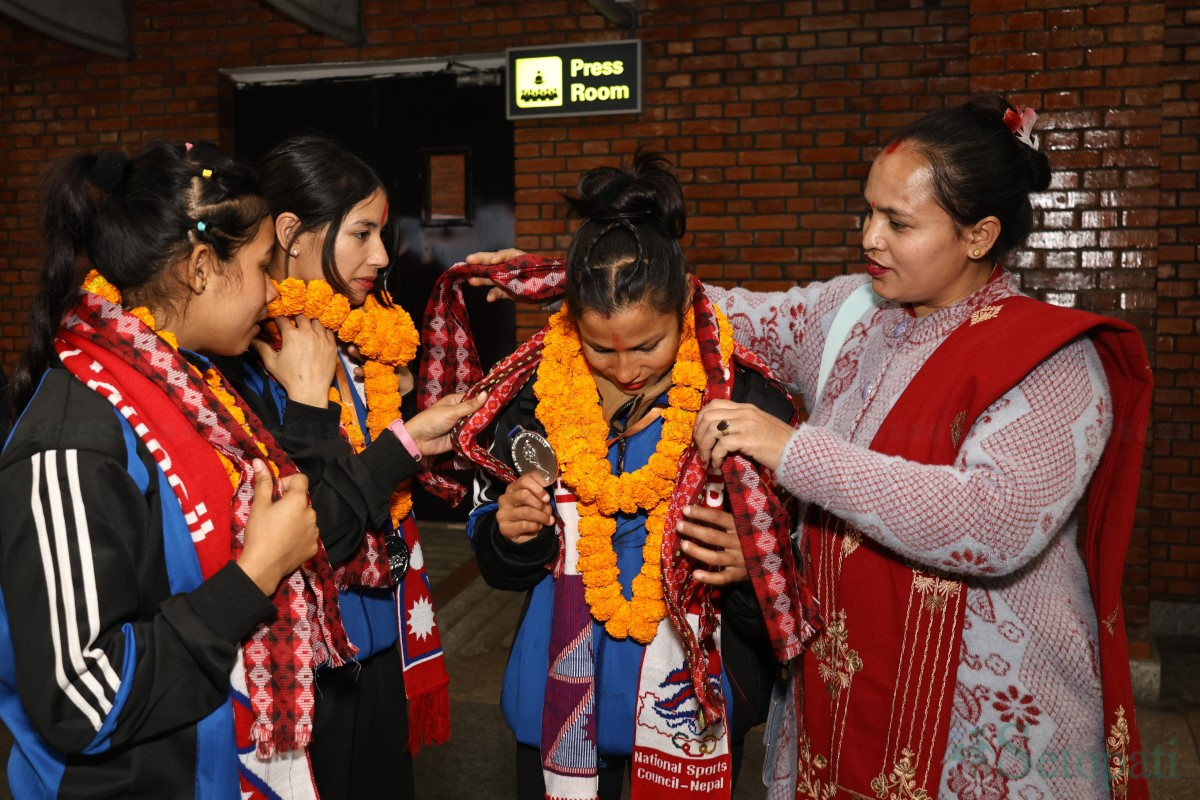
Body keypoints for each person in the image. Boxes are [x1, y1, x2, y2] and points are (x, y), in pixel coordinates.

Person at [469, 96, 1153, 800]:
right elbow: (697, 306)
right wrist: (573, 271)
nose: (870, 238)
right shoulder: (854, 313)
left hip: (976, 723)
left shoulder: (1052, 362)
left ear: (979, 235)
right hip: (845, 694)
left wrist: (791, 451)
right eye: (868, 211)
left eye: (898, 222)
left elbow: (992, 522)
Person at [420, 151, 817, 800]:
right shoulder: (531, 396)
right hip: (557, 687)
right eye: (601, 348)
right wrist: (515, 536)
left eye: (649, 346)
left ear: (685, 310)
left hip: (690, 697)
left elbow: (795, 573)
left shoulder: (743, 399)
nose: (627, 368)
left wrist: (752, 570)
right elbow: (497, 561)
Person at [0, 141, 350, 798]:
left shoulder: (187, 387)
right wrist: (256, 575)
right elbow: (83, 699)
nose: (275, 292)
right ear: (198, 268)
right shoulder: (73, 443)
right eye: (260, 266)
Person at [210, 133, 485, 800]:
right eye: (362, 233)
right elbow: (313, 536)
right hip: (305, 664)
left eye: (382, 234)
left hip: (379, 639)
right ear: (292, 235)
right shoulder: (248, 361)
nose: (383, 256)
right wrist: (396, 443)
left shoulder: (362, 338)